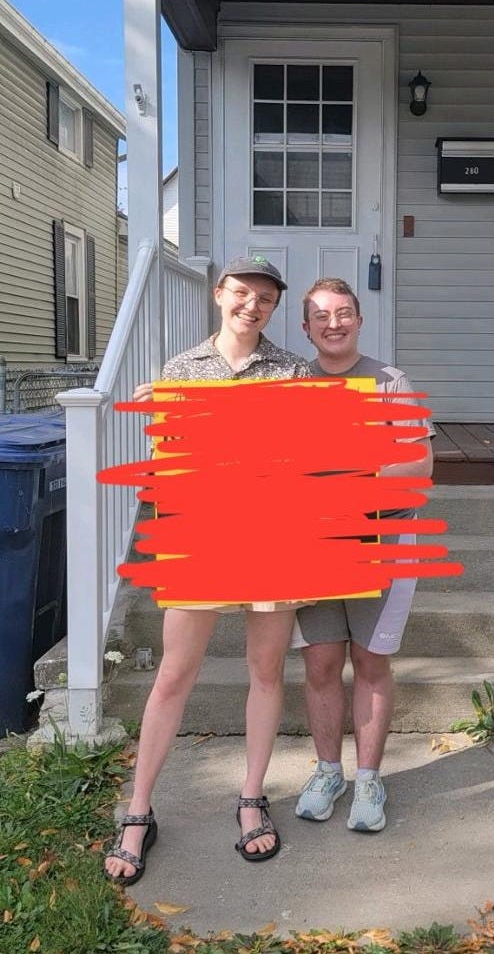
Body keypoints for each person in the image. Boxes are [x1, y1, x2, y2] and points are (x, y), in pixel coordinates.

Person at [104, 255, 312, 883]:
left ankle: (252, 798)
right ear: (220, 294)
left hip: (273, 537)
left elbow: (300, 456)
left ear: (275, 307)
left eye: (267, 299)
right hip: (199, 537)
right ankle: (138, 810)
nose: (254, 305)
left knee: (265, 670)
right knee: (174, 673)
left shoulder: (294, 371)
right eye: (243, 293)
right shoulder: (180, 370)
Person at [293, 278, 434, 832]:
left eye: (344, 313)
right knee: (321, 664)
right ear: (305, 327)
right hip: (313, 547)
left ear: (359, 320)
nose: (334, 323)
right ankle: (329, 772)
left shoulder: (389, 381)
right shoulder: (292, 384)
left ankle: (369, 782)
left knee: (371, 663)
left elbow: (419, 466)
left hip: (385, 541)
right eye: (322, 315)